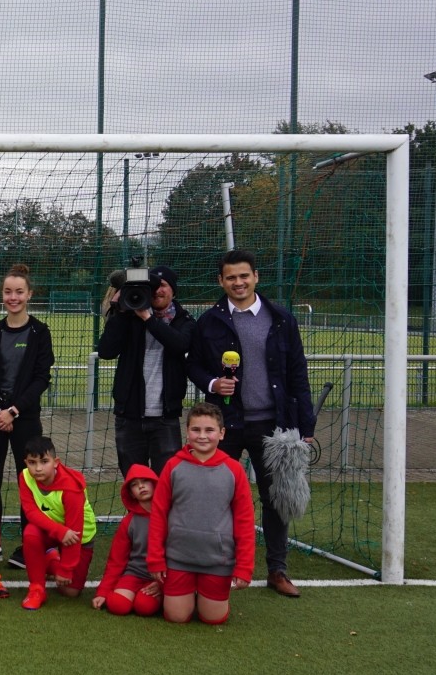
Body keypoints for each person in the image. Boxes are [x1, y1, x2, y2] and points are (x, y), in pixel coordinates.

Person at [188, 248, 316, 599]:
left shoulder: (282, 319)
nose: (238, 282)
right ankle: (211, 566)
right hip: (225, 425)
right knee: (215, 496)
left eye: (244, 275)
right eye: (231, 277)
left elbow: (297, 374)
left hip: (273, 426)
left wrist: (306, 426)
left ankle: (277, 570)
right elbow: (193, 365)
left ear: (256, 277)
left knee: (275, 498)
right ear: (221, 281)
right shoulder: (208, 321)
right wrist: (213, 384)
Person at [0, 264, 55, 567]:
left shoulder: (40, 332)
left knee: (29, 483)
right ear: (2, 295)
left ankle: (28, 546)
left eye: (19, 292)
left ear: (29, 294)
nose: (13, 297)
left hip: (25, 419)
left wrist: (14, 410)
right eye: (8, 292)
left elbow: (41, 378)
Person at [149, 402, 256, 625]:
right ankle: (177, 594)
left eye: (210, 430)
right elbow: (158, 514)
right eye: (196, 430)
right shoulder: (173, 466)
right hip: (178, 557)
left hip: (217, 559)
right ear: (187, 431)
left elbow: (244, 520)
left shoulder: (234, 470)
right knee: (177, 617)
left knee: (213, 618)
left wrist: (244, 566)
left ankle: (204, 597)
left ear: (222, 433)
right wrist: (156, 559)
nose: (202, 436)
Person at [95, 265, 196, 476]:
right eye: (152, 287)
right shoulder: (129, 318)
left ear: (174, 290)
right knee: (134, 482)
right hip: (129, 416)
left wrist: (148, 318)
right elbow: (106, 351)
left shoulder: (184, 321)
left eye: (163, 285)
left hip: (165, 416)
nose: (157, 291)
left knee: (166, 482)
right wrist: (120, 312)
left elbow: (179, 345)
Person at [16, 435, 98, 611]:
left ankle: (51, 560)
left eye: (44, 461)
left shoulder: (71, 488)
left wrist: (66, 569)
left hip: (79, 535)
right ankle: (37, 590)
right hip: (55, 530)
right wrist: (59, 531)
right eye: (32, 462)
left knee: (70, 591)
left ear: (56, 462)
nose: (38, 468)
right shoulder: (25, 477)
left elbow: (75, 531)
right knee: (31, 533)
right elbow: (31, 512)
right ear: (26, 463)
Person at [94, 463, 163, 617]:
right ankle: (125, 591)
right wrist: (103, 592)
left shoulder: (171, 516)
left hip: (160, 576)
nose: (141, 486)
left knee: (144, 607)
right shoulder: (129, 522)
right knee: (117, 605)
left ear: (154, 483)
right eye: (134, 484)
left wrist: (164, 584)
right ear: (131, 493)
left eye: (145, 481)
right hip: (134, 573)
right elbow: (116, 560)